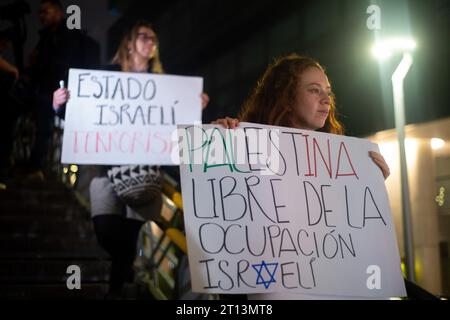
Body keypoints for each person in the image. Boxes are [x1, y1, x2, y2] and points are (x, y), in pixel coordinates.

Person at [212, 53, 390, 299]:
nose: (327, 100)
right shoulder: (246, 149)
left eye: (328, 91)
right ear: (287, 98)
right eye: (315, 90)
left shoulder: (343, 162)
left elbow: (348, 237)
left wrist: (372, 186)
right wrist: (219, 143)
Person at [53, 20, 209, 298]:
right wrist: (59, 104)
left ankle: (115, 292)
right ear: (129, 42)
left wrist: (193, 109)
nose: (150, 42)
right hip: (106, 171)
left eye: (153, 38)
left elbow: (178, 127)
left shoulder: (163, 85)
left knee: (129, 234)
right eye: (144, 36)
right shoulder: (107, 77)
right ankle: (125, 270)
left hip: (145, 175)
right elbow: (81, 117)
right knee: (105, 230)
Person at [25, 0, 99, 180]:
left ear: (58, 12)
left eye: (46, 11)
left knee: (50, 128)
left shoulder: (68, 36)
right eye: (40, 13)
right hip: (44, 90)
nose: (42, 16)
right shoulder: (46, 38)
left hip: (60, 92)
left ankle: (38, 167)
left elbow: (67, 63)